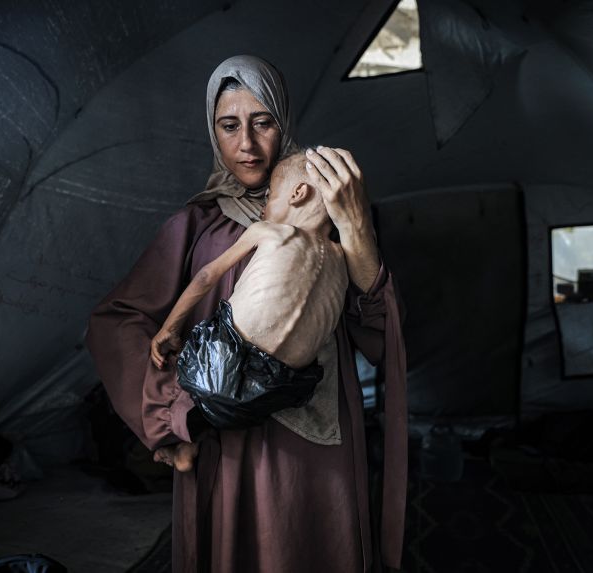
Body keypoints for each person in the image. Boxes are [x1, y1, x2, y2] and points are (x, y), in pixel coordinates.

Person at [86, 55, 407, 573]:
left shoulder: (330, 217)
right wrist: (169, 415)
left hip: (315, 445)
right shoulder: (198, 226)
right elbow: (116, 321)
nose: (247, 145)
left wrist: (357, 229)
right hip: (224, 445)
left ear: (285, 121)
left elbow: (381, 338)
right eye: (229, 125)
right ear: (213, 132)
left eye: (263, 122)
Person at [149, 149, 348, 439]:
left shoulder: (270, 231)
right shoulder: (341, 258)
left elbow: (206, 276)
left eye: (270, 197)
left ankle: (184, 438)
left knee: (191, 360)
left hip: (220, 366)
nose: (263, 208)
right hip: (281, 389)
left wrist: (170, 327)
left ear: (298, 194)